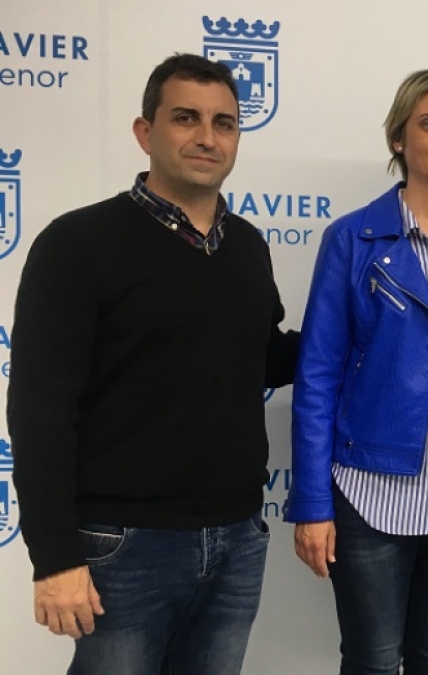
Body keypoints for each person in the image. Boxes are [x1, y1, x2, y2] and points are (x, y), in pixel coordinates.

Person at [8, 53, 299, 675]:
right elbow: (40, 410)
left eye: (224, 123)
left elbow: (259, 359)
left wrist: (359, 337)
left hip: (237, 538)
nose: (207, 137)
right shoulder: (77, 244)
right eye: (186, 118)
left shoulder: (248, 246)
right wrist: (55, 557)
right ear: (146, 132)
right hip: (123, 545)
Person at [286, 69, 428, 675]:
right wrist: (312, 503)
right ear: (399, 138)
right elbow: (318, 376)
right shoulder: (352, 240)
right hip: (372, 497)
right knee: (375, 662)